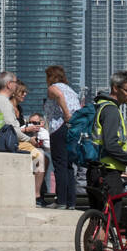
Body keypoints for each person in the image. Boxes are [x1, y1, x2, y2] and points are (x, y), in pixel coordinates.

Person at [86, 71, 127, 215]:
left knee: (96, 217)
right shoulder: (111, 110)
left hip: (94, 169)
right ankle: (105, 237)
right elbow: (111, 144)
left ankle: (91, 238)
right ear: (115, 88)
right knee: (111, 217)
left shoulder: (99, 105)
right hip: (108, 171)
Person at [44, 64, 81, 211]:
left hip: (60, 128)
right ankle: (70, 202)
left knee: (59, 165)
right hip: (73, 130)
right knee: (69, 167)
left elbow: (57, 95)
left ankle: (61, 201)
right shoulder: (71, 90)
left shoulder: (53, 88)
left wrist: (66, 115)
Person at [26, 112, 53, 207]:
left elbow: (49, 146)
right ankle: (38, 195)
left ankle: (43, 193)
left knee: (45, 158)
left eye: (35, 123)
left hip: (39, 153)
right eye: (30, 122)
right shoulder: (26, 130)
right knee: (41, 156)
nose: (32, 125)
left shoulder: (43, 132)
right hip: (29, 152)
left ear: (41, 123)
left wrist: (39, 141)